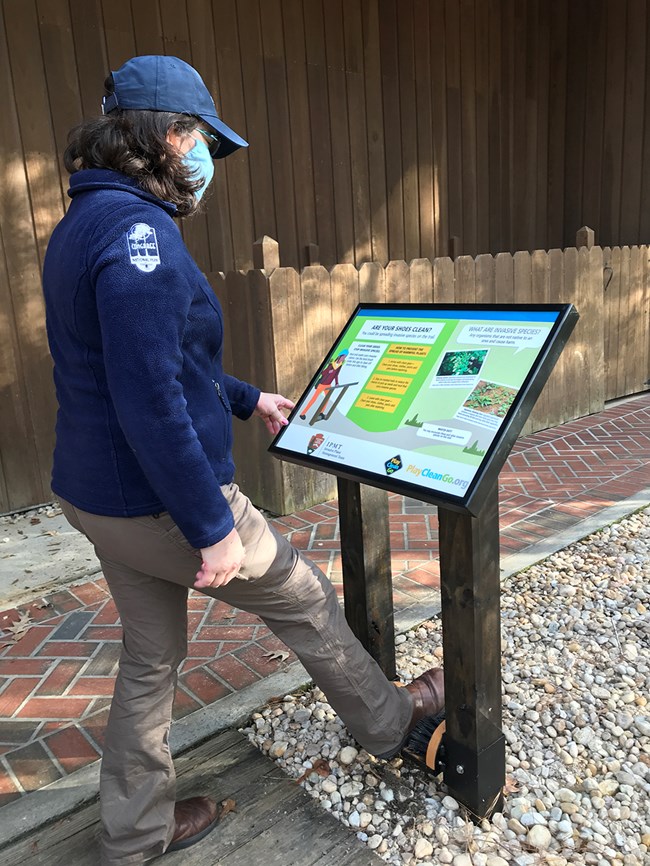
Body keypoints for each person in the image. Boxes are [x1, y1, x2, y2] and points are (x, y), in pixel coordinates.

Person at [42, 55, 445, 866]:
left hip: (94, 498)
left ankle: (135, 832)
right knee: (302, 595)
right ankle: (395, 724)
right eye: (198, 138)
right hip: (157, 500)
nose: (204, 161)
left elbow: (151, 360)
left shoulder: (81, 223)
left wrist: (244, 397)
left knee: (151, 660)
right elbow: (150, 398)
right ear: (160, 136)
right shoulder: (138, 235)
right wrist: (211, 529)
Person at [299, 349, 349, 420]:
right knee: (313, 399)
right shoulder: (331, 364)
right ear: (339, 356)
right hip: (322, 384)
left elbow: (336, 375)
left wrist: (337, 383)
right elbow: (322, 373)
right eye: (343, 357)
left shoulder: (340, 366)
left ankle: (321, 413)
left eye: (345, 357)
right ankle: (302, 413)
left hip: (328, 385)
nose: (343, 359)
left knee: (326, 399)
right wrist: (329, 371)